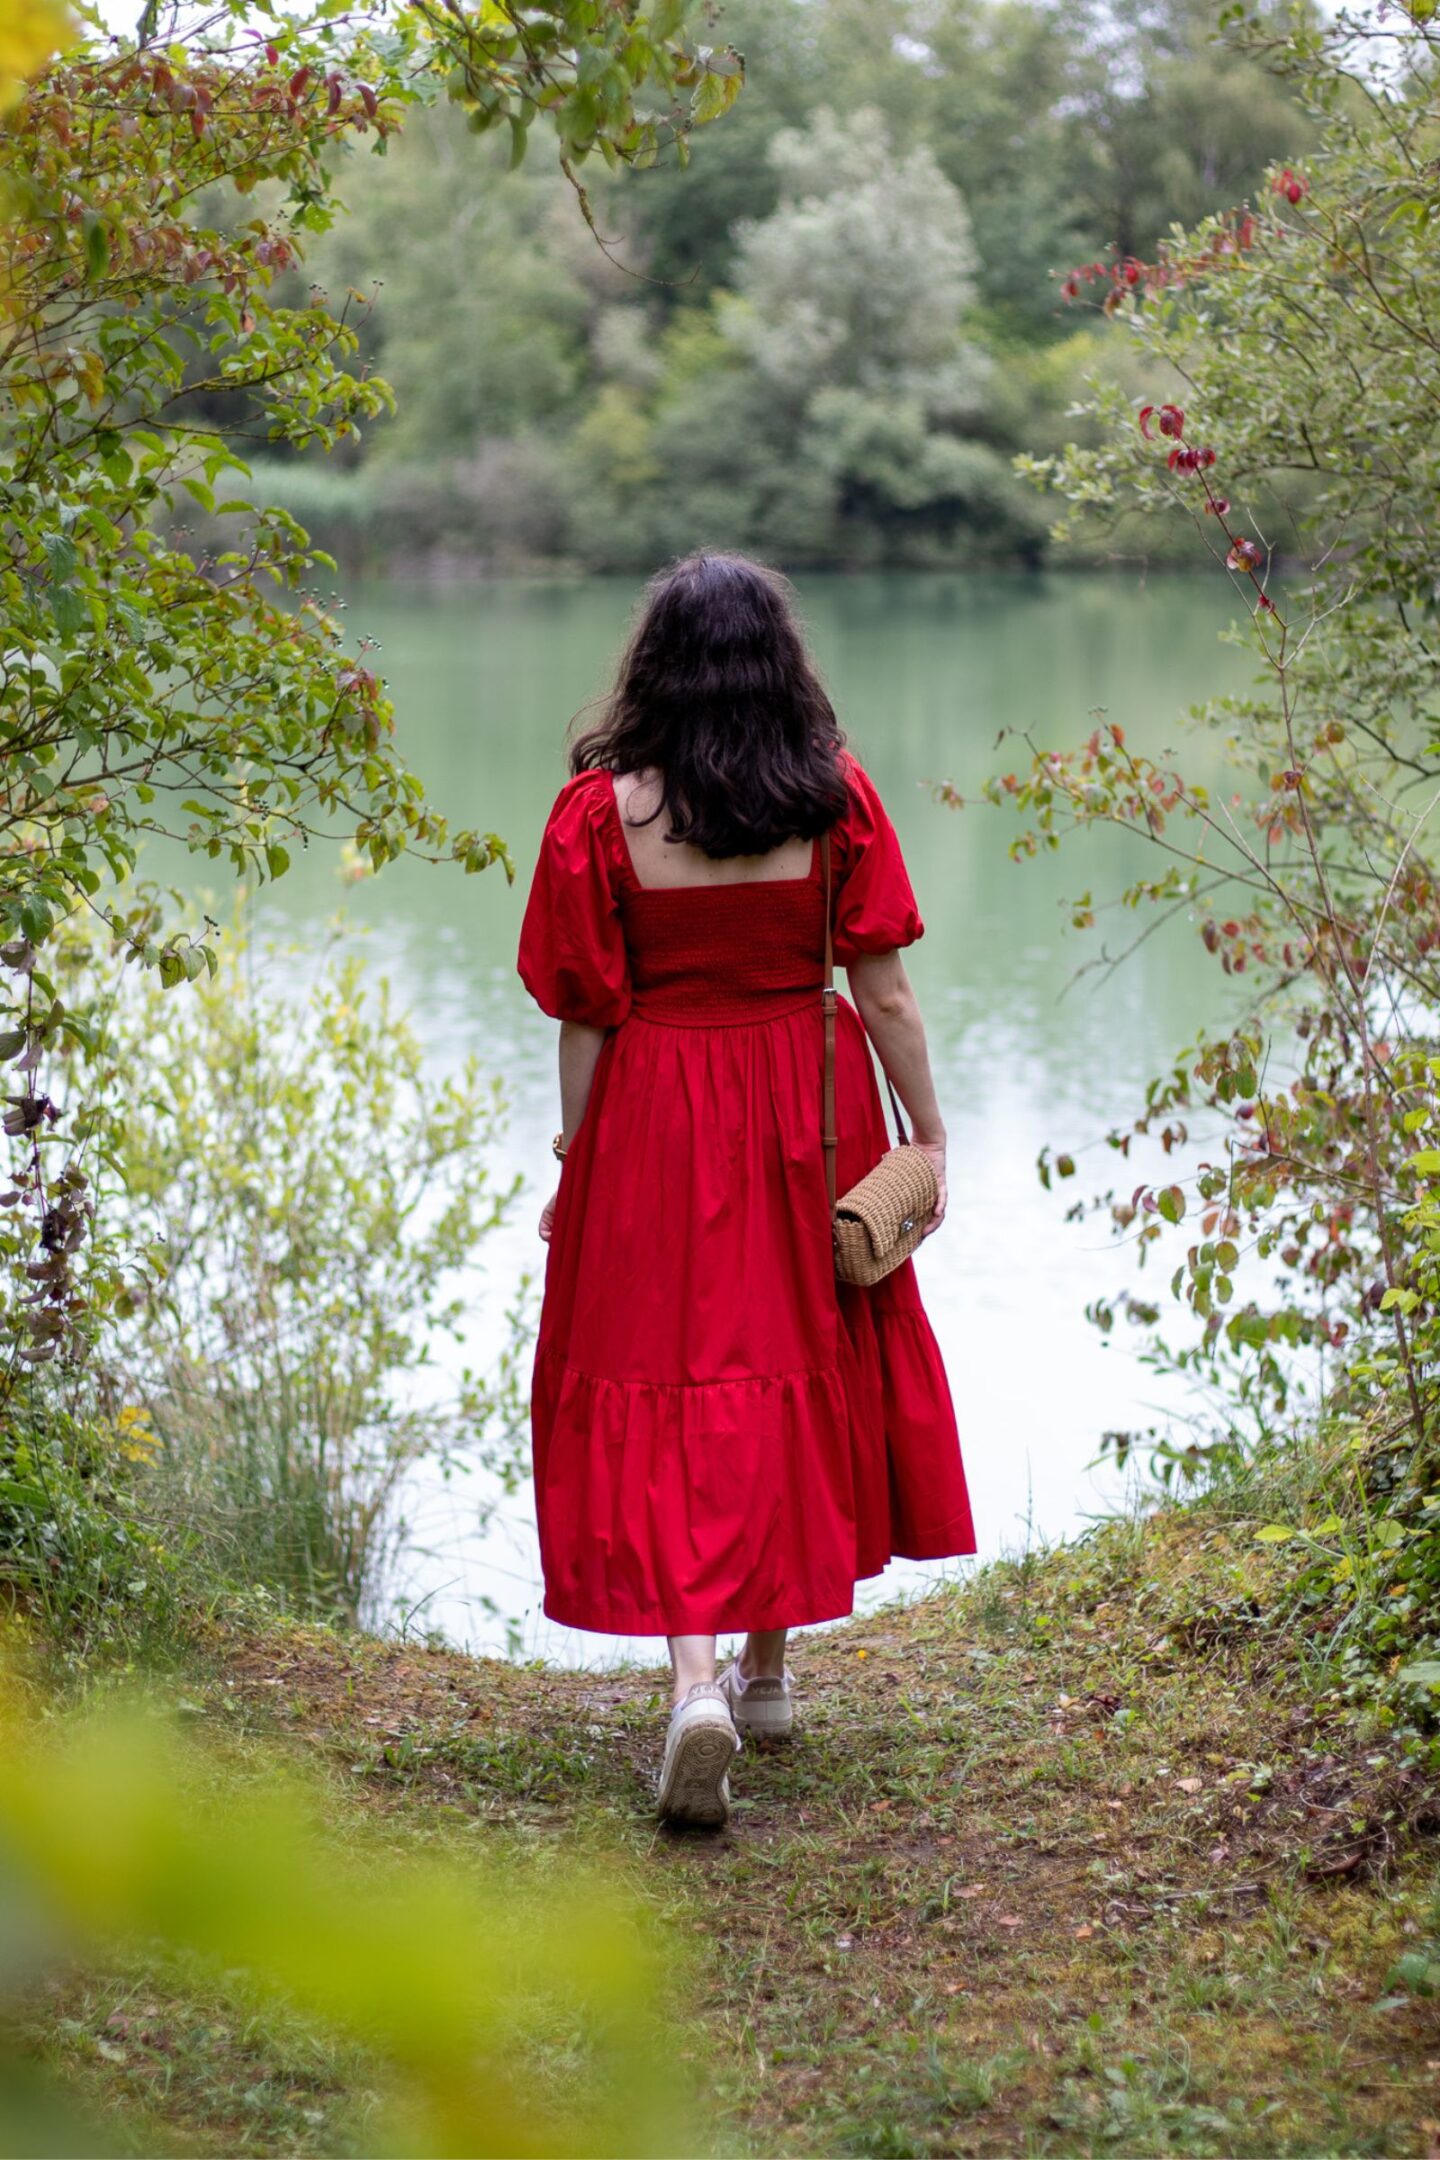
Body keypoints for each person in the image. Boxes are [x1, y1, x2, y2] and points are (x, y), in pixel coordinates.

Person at [517, 552, 975, 1829]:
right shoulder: (835, 801)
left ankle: (697, 1686)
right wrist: (928, 1139)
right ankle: (769, 1676)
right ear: (782, 661)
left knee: (675, 1378)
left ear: (653, 666)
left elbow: (586, 1013)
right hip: (807, 1102)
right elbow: (882, 990)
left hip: (660, 1111)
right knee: (798, 1353)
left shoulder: (603, 816)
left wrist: (575, 1158)